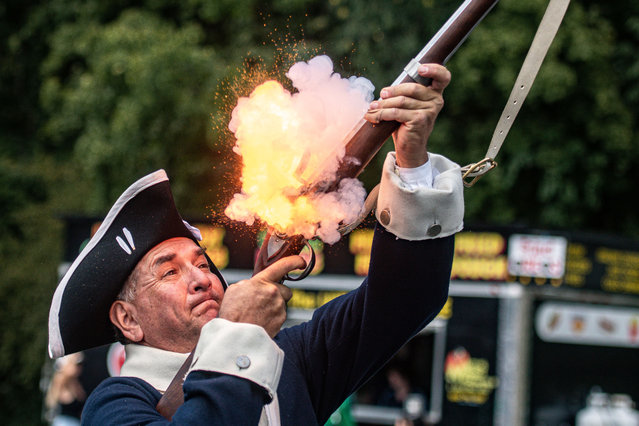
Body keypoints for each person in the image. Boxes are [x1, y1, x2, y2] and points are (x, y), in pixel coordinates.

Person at [47, 63, 464, 425]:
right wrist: (240, 333)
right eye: (170, 271)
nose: (200, 278)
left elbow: (406, 299)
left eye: (203, 264)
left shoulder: (289, 360)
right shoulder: (114, 405)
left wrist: (412, 163)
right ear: (127, 319)